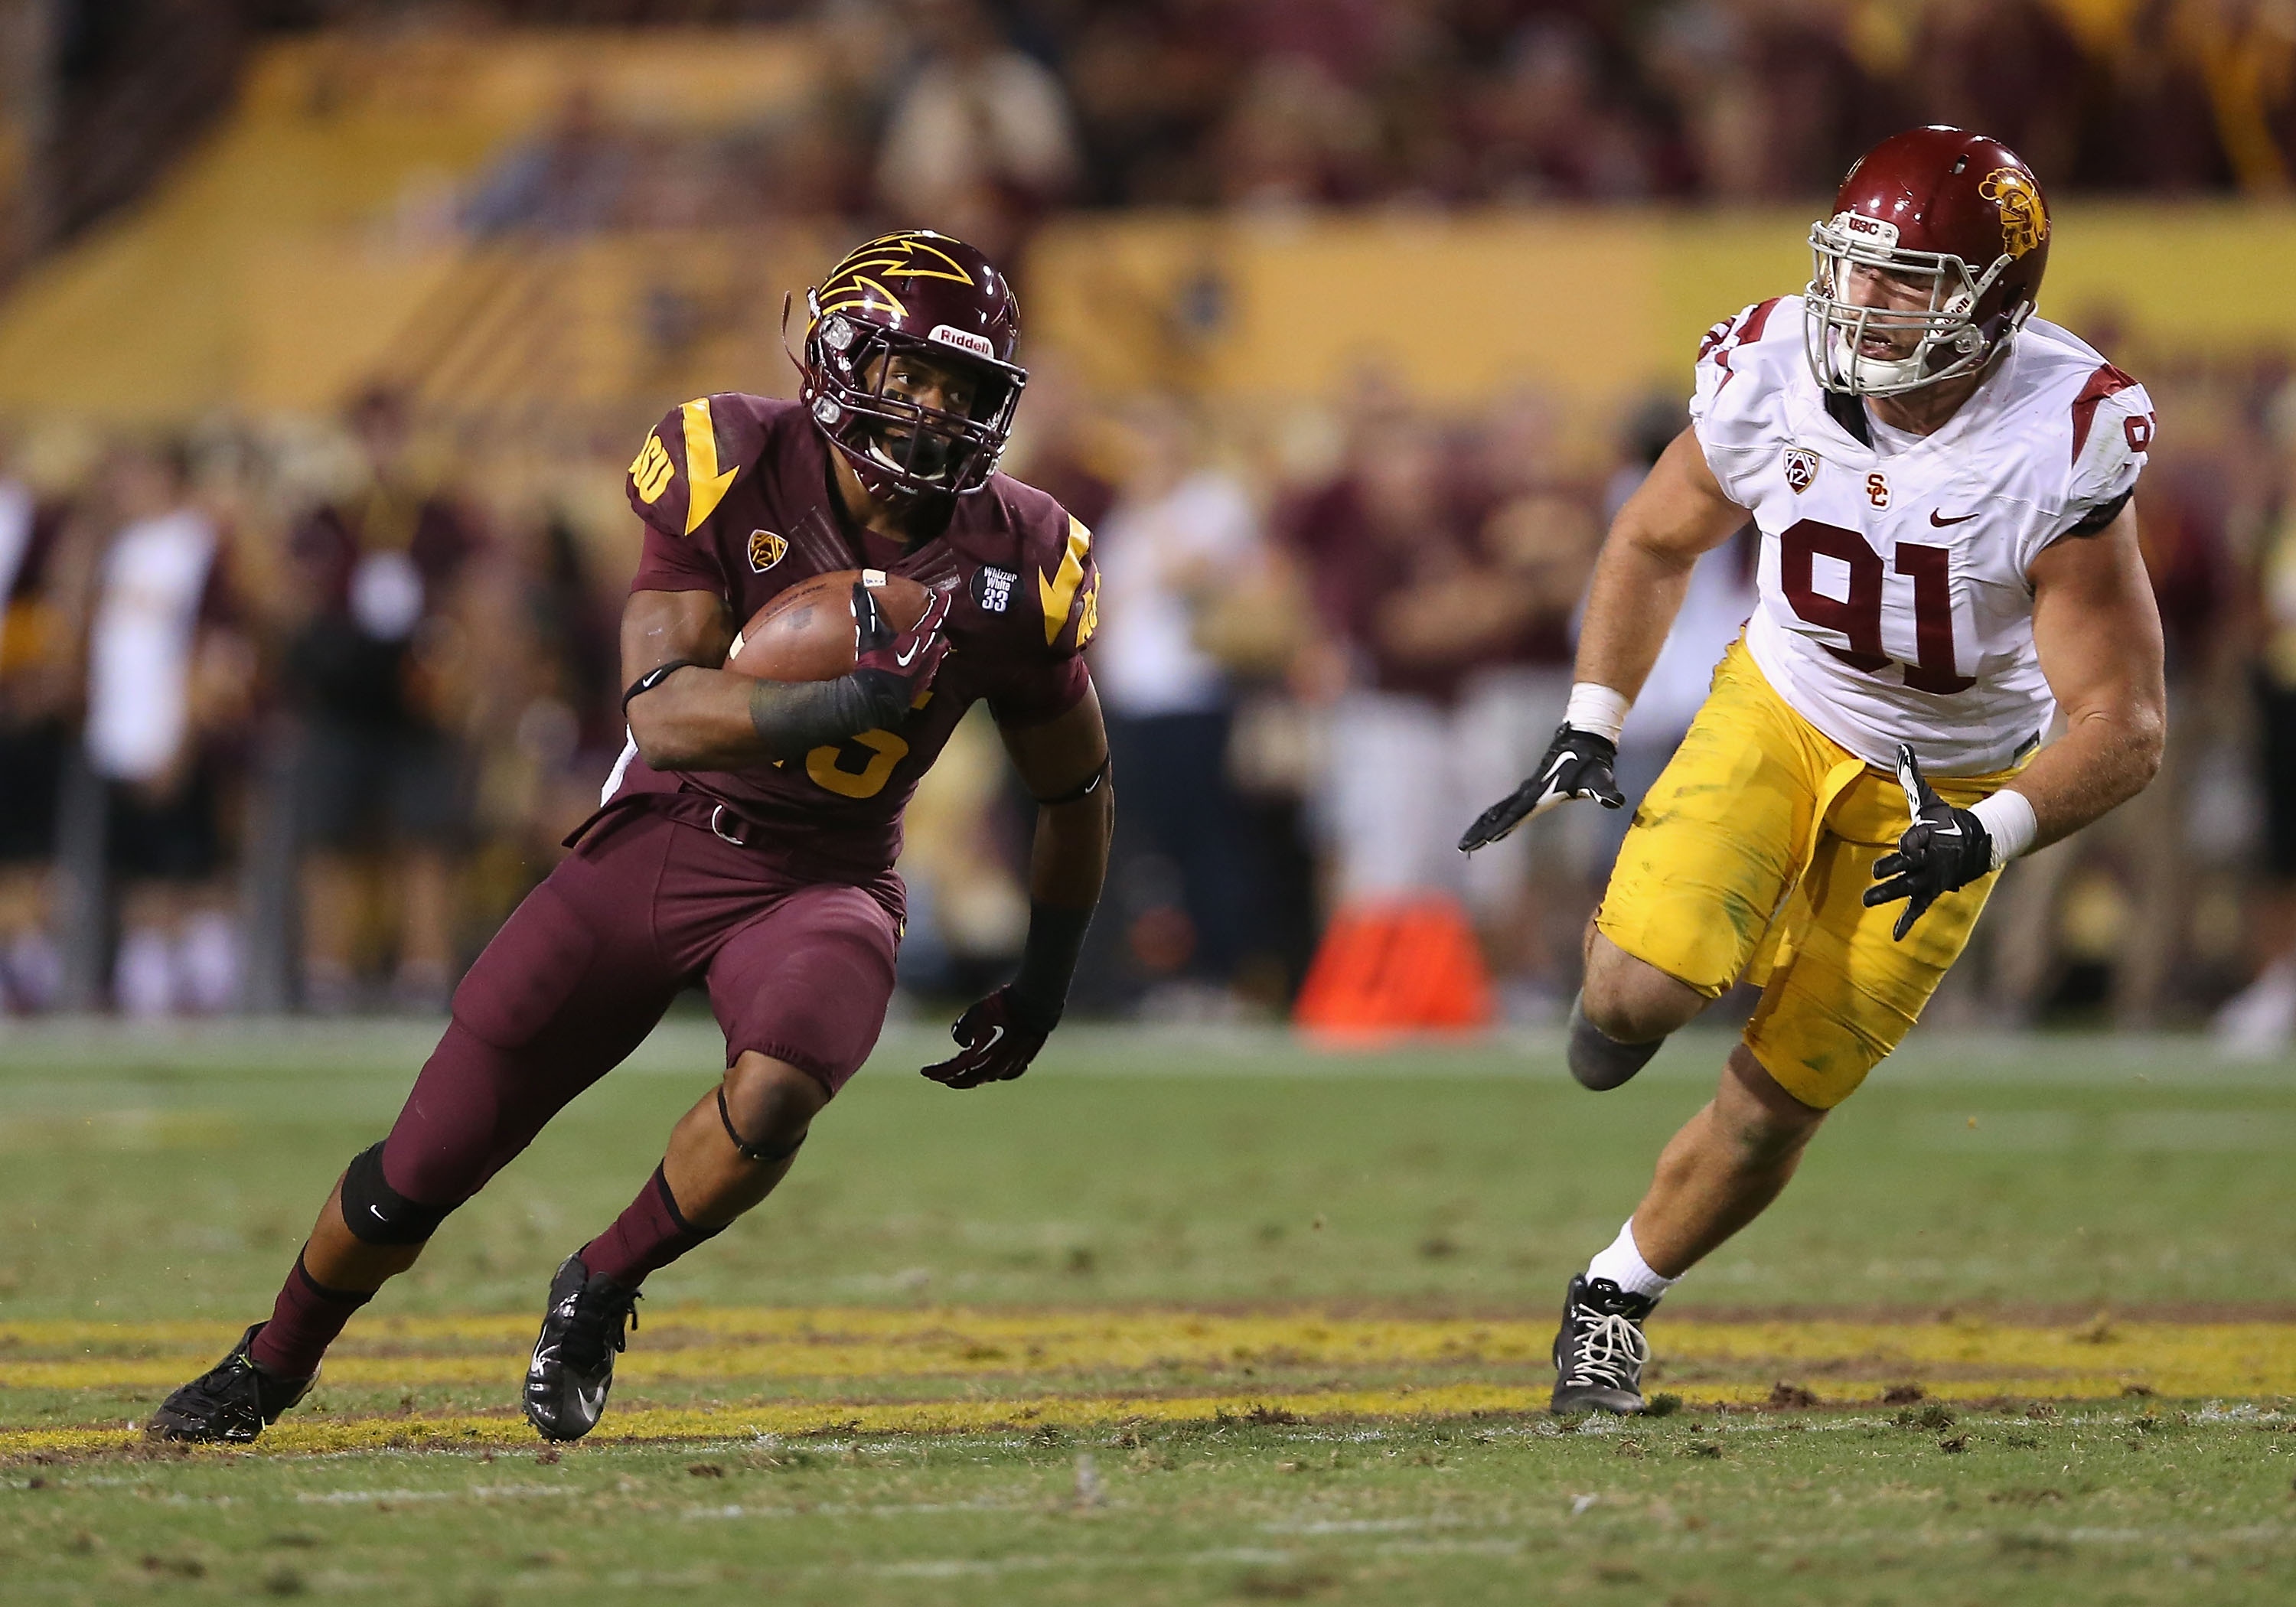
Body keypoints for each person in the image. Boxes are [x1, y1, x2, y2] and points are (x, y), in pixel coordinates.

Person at [146, 230, 1113, 1445]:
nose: (928, 411)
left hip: (825, 878)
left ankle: (599, 1286)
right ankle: (271, 1361)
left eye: (958, 389)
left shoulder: (1019, 562)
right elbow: (661, 712)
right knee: (419, 1173)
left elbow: (1077, 789)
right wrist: (836, 699)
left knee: (777, 1089)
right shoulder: (733, 455)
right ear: (835, 354)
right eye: (908, 373)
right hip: (662, 837)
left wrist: (1051, 977)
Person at [1459, 128, 2164, 1413]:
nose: (1861, 302)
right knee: (1632, 1000)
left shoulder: (2061, 434)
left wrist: (1988, 832)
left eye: (1907, 281)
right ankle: (1638, 997)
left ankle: (1612, 1295)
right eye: (1853, 268)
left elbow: (2124, 723)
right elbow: (1655, 539)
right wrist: (1590, 721)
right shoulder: (1773, 366)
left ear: (1992, 301)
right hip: (1784, 708)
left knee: (1781, 1098)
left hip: (1950, 779)